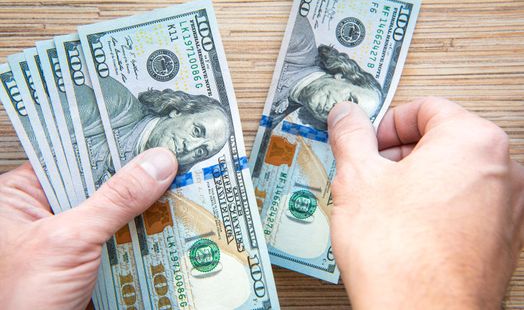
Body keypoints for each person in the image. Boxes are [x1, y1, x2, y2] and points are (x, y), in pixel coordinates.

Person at [0, 97, 523, 309]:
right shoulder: (110, 104)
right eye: (199, 131)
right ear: (177, 107)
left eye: (205, 147)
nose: (193, 147)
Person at [75, 76, 232, 185]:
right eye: (196, 132)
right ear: (177, 111)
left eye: (200, 152)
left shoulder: (146, 192)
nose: (189, 148)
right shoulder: (115, 102)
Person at [270, 16, 383, 129]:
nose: (337, 110)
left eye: (344, 116)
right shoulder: (299, 43)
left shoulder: (273, 120)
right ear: (343, 76)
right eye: (350, 100)